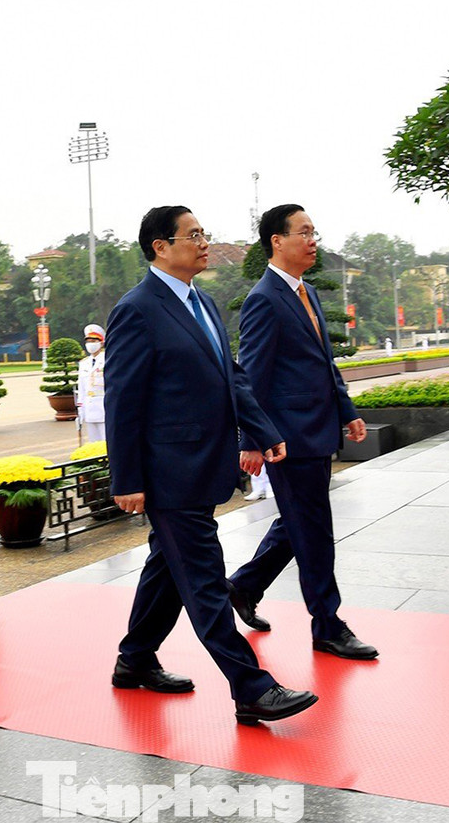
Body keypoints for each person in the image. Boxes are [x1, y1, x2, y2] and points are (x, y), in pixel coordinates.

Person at [105, 205, 317, 725]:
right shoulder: (137, 309)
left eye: (204, 234)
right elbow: (122, 400)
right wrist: (127, 478)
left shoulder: (202, 300)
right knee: (203, 580)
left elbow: (233, 376)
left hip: (204, 465)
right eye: (193, 235)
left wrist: (263, 431)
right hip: (168, 471)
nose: (204, 243)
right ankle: (251, 687)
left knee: (166, 567)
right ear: (160, 246)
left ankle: (133, 658)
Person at [226, 205, 378, 660]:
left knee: (300, 523)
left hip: (316, 429)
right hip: (286, 439)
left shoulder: (306, 291)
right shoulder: (263, 299)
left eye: (315, 232)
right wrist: (252, 441)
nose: (314, 240)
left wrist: (346, 409)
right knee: (314, 531)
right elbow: (250, 375)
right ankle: (328, 626)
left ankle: (243, 586)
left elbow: (323, 362)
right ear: (277, 240)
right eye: (304, 232)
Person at [75, 324, 107, 444]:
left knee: (106, 443)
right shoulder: (84, 363)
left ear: (101, 342)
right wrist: (80, 410)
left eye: (93, 341)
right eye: (88, 341)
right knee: (93, 443)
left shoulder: (108, 360)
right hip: (89, 409)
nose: (90, 344)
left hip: (104, 408)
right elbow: (81, 388)